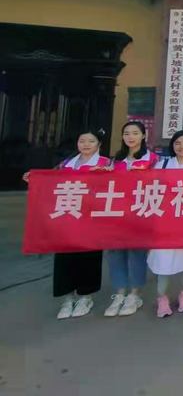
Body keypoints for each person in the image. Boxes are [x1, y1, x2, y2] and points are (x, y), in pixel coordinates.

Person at [23, 129, 110, 320]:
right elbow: (50, 180)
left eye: (91, 141)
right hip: (67, 217)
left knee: (89, 258)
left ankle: (86, 297)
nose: (86, 145)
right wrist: (35, 178)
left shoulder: (106, 164)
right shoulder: (66, 164)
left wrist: (105, 176)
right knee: (65, 258)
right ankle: (68, 298)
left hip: (92, 219)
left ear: (99, 144)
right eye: (82, 141)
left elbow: (118, 184)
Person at [148, 131, 183, 318]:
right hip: (166, 222)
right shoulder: (163, 165)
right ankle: (162, 298)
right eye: (178, 143)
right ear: (172, 146)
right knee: (163, 261)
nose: (182, 146)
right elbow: (152, 189)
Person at [105, 121, 159, 318]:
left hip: (140, 212)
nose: (131, 137)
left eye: (135, 133)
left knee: (137, 253)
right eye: (127, 133)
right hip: (116, 213)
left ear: (144, 136)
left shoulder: (153, 159)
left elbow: (163, 182)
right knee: (115, 254)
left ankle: (135, 294)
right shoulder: (114, 161)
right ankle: (119, 293)